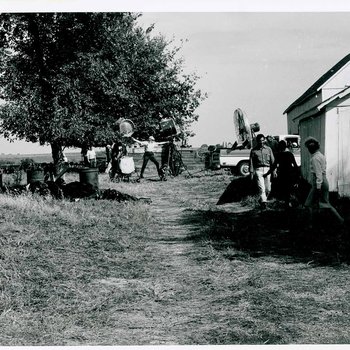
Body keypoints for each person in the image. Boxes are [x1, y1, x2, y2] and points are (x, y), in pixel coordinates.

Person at [304, 137, 344, 226]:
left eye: (309, 148)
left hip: (319, 182)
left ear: (311, 148)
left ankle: (311, 225)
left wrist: (318, 187)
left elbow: (318, 174)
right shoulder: (321, 155)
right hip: (323, 180)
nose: (308, 150)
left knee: (308, 204)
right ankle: (340, 220)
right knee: (325, 203)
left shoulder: (314, 158)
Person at [264, 140, 299, 209]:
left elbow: (273, 166)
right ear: (285, 146)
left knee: (284, 190)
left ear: (279, 147)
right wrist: (297, 176)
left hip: (282, 174)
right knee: (288, 190)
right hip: (289, 173)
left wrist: (267, 173)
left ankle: (286, 203)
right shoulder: (290, 154)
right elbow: (295, 165)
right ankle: (288, 203)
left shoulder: (278, 155)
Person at [249, 133, 275, 209]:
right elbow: (251, 162)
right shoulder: (253, 151)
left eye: (262, 140)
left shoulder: (268, 149)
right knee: (262, 188)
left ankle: (262, 200)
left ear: (264, 140)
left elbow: (273, 161)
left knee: (268, 189)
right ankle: (264, 204)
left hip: (268, 170)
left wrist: (274, 172)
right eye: (259, 141)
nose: (261, 142)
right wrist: (251, 173)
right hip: (258, 170)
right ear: (257, 141)